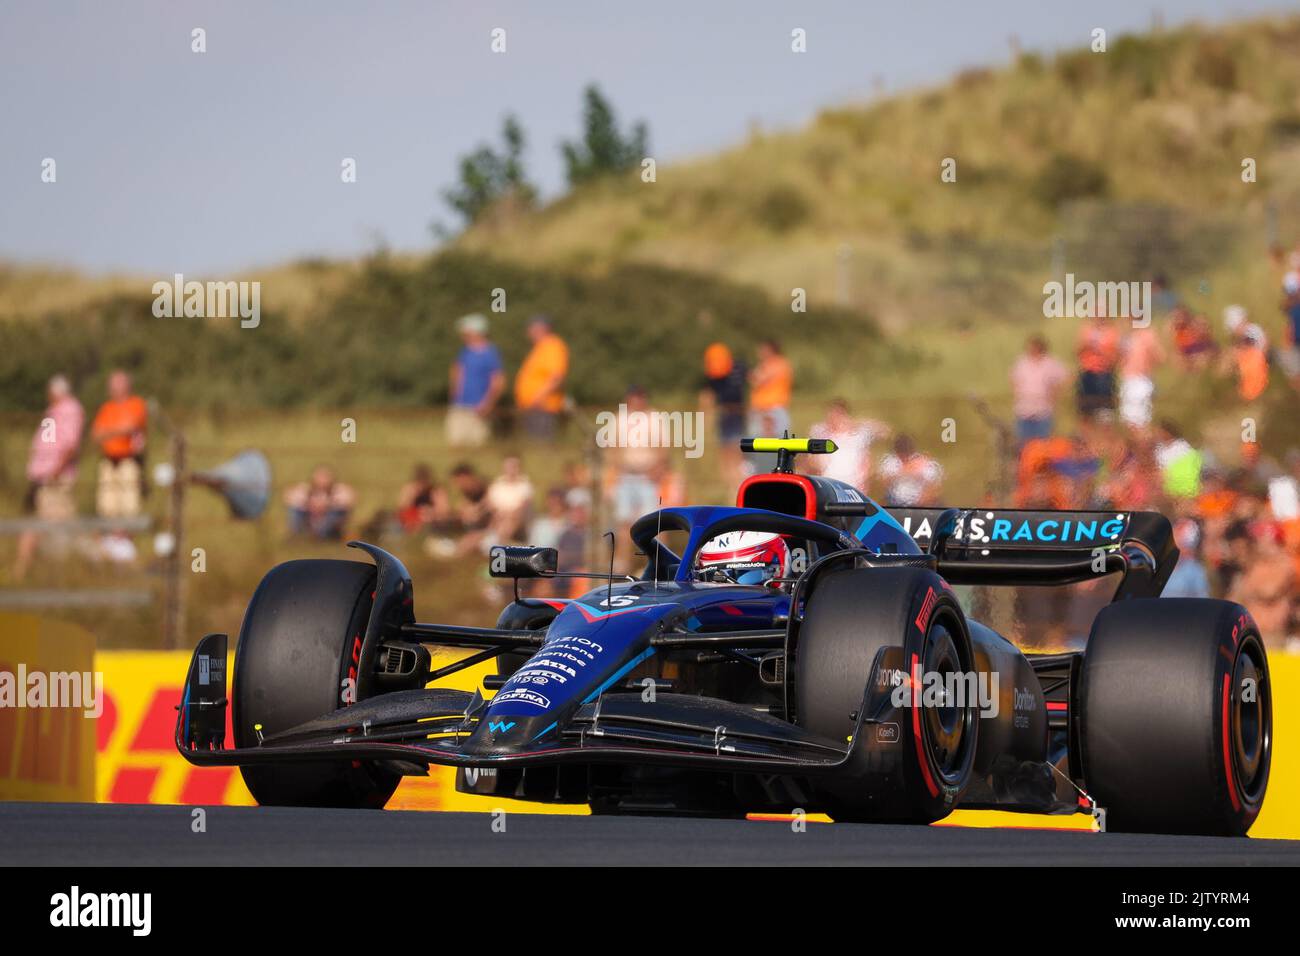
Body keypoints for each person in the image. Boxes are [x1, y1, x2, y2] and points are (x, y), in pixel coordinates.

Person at [14, 374, 85, 580]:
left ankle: (91, 566)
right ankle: (22, 570)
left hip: (54, 479)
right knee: (42, 524)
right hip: (43, 479)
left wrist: (55, 471)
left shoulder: (70, 410)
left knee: (60, 527)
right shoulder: (53, 412)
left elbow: (70, 445)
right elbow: (48, 443)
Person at [90, 369, 148, 562]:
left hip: (128, 460)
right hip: (108, 460)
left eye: (117, 383)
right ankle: (112, 544)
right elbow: (96, 434)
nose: (113, 388)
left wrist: (109, 432)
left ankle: (125, 544)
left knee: (129, 502)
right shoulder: (107, 408)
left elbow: (130, 426)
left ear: (126, 385)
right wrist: (118, 431)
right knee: (107, 503)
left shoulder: (136, 404)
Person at [446, 313, 505, 448]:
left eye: (467, 331)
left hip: (479, 407)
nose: (463, 334)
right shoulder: (465, 351)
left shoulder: (491, 353)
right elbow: (458, 371)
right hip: (460, 405)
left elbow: (498, 381)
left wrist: (488, 403)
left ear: (477, 332)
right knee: (456, 443)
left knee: (477, 444)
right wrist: (454, 392)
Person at [807, 398, 890, 492]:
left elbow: (884, 432)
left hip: (854, 487)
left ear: (844, 415)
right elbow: (811, 459)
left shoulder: (859, 434)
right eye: (830, 415)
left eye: (836, 415)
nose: (832, 419)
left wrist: (855, 422)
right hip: (828, 486)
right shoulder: (820, 432)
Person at [698, 342, 747, 486]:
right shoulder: (713, 376)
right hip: (724, 416)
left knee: (737, 452)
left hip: (738, 414)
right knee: (725, 452)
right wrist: (705, 417)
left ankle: (738, 483)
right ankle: (730, 484)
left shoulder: (739, 368)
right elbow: (707, 395)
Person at [514, 315, 569, 440]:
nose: (528, 332)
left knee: (540, 446)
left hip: (542, 406)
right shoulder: (540, 348)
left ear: (541, 329)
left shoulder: (552, 346)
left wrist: (538, 397)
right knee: (533, 446)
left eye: (530, 328)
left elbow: (556, 377)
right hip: (534, 407)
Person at [1009, 336, 1068, 445]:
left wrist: (1055, 394)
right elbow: (1014, 379)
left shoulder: (1051, 363)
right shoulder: (1022, 362)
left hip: (1043, 410)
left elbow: (1065, 377)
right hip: (1023, 410)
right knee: (1023, 445)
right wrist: (1017, 393)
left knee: (1043, 444)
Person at [284, 465, 355, 539]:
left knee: (337, 511)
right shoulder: (306, 489)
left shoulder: (338, 490)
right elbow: (289, 497)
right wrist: (310, 504)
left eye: (325, 477)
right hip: (310, 523)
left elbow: (349, 499)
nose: (322, 481)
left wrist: (327, 505)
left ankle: (323, 535)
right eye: (320, 477)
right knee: (295, 510)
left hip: (329, 524)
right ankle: (298, 535)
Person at [1118, 320, 1165, 429]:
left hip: (1142, 379)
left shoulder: (1148, 334)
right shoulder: (1127, 336)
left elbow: (1160, 357)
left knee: (1142, 419)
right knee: (1127, 419)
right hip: (1127, 380)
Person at [1075, 312, 1120, 419]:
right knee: (1085, 408)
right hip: (1088, 372)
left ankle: (1105, 429)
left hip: (1104, 373)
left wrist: (1099, 348)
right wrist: (1087, 344)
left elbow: (1115, 356)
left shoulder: (1112, 332)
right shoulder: (1087, 330)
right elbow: (1078, 350)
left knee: (1104, 408)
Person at [878, 435, 943, 507]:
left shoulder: (924, 464)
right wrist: (903, 472)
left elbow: (933, 488)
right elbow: (886, 484)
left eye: (906, 454)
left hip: (919, 503)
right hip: (896, 501)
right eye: (900, 455)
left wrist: (924, 499)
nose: (904, 458)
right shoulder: (891, 462)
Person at [485, 454, 535, 544]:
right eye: (509, 466)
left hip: (517, 519)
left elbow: (523, 506)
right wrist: (499, 514)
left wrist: (507, 515)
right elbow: (490, 504)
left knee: (510, 521)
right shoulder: (497, 484)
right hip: (498, 517)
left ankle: (497, 544)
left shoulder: (525, 485)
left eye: (514, 466)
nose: (512, 469)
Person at [748, 339, 793, 438]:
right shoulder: (764, 365)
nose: (759, 352)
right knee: (755, 445)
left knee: (778, 442)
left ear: (770, 350)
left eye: (762, 349)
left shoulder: (778, 364)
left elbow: (758, 380)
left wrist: (749, 374)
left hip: (774, 410)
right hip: (760, 410)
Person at [396, 464, 452, 534]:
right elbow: (401, 509)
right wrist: (411, 497)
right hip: (411, 522)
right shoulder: (409, 489)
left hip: (432, 523)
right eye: (420, 482)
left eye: (424, 482)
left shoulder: (436, 490)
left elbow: (445, 511)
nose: (422, 486)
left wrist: (432, 512)